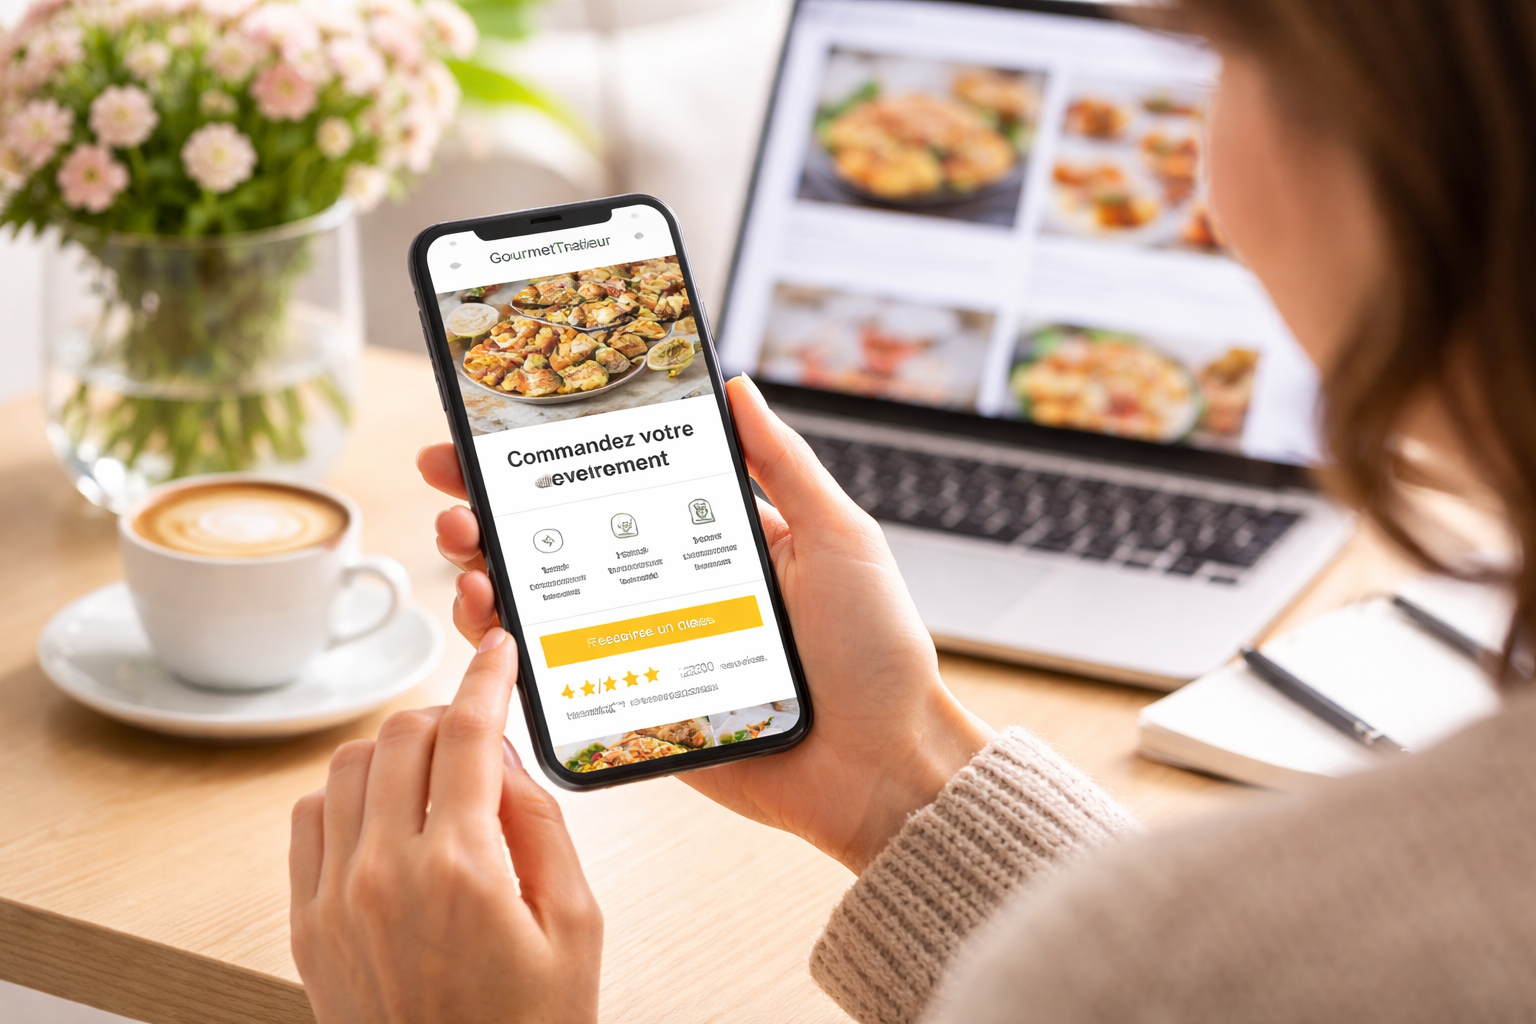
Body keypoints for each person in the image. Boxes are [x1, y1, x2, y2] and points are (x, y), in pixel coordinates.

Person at [287, 0, 1536, 1019]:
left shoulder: (1162, 959)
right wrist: (899, 769)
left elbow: (1162, 982)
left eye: (1217, 49)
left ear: (1411, 137)